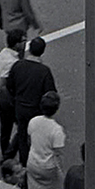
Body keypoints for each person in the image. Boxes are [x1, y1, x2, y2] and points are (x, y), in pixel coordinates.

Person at [7, 36, 57, 166]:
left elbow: (9, 86)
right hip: (35, 110)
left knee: (22, 136)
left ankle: (24, 164)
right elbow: (50, 93)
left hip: (20, 108)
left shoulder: (18, 65)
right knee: (36, 139)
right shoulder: (44, 71)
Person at [25, 91, 65, 189]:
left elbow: (29, 141)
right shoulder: (57, 130)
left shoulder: (33, 121)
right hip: (48, 167)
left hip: (32, 162)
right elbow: (58, 154)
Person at [0, 29, 25, 160]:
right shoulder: (12, 62)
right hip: (6, 97)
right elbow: (3, 82)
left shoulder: (4, 53)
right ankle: (9, 154)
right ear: (17, 44)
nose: (25, 43)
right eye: (23, 41)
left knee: (5, 129)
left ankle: (5, 153)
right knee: (22, 126)